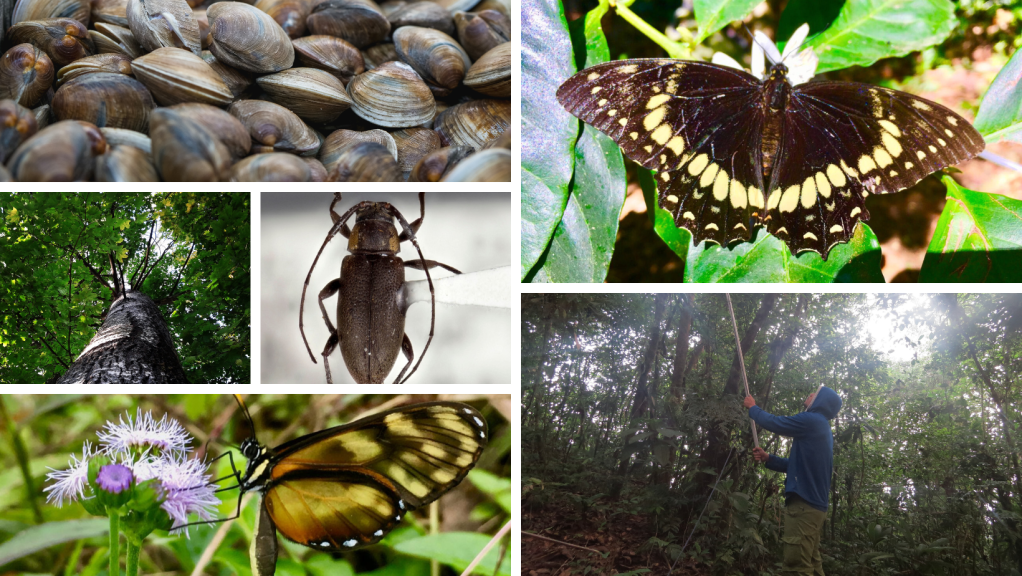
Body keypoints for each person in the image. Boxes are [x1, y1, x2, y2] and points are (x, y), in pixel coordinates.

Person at [743, 387, 842, 576]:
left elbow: (777, 423)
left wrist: (753, 408)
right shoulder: (821, 427)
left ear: (820, 401)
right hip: (813, 507)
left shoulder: (813, 420)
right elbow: (797, 465)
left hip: (804, 505)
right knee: (812, 562)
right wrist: (768, 458)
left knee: (797, 566)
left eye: (815, 393)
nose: (810, 394)